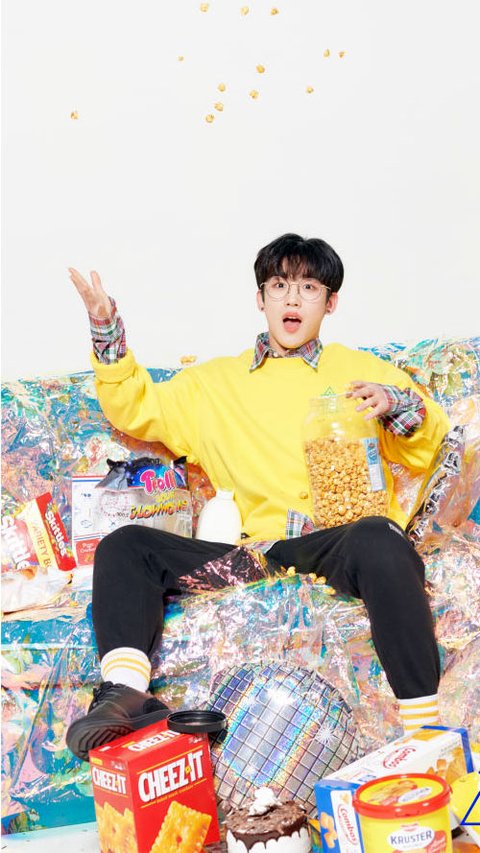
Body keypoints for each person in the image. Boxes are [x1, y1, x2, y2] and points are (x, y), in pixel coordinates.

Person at [66, 233, 450, 762]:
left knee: (381, 538)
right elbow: (134, 407)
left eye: (309, 288)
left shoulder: (363, 372)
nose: (293, 299)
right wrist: (105, 324)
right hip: (253, 554)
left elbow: (430, 446)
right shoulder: (211, 385)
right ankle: (126, 693)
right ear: (260, 298)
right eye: (279, 286)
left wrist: (394, 403)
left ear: (330, 302)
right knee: (126, 545)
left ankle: (425, 733)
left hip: (334, 544)